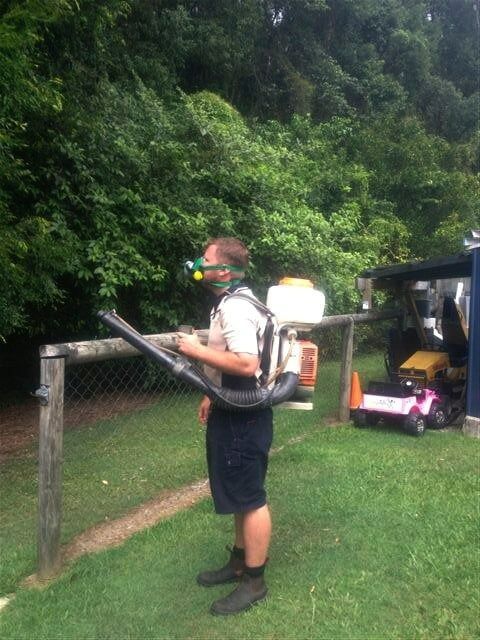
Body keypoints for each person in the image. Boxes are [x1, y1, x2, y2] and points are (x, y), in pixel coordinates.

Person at [176, 237, 273, 616]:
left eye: (207, 258)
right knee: (237, 491)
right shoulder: (230, 302)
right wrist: (210, 393)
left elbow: (247, 364)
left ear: (223, 270)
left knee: (250, 497)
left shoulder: (235, 307)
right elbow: (230, 358)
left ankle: (254, 581)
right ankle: (238, 562)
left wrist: (195, 349)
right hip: (232, 407)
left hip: (245, 415)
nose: (199, 262)